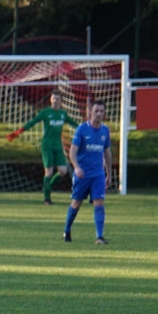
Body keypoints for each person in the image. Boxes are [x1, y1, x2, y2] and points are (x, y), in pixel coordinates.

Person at [7, 91, 77, 204]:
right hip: (47, 145)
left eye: (57, 99)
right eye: (53, 98)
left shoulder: (63, 114)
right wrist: (18, 132)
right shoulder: (45, 112)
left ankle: (47, 187)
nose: (55, 101)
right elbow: (32, 122)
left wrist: (87, 130)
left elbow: (74, 124)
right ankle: (47, 199)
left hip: (58, 146)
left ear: (61, 101)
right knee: (49, 173)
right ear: (50, 100)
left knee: (63, 171)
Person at [64, 100, 112, 244]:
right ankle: (67, 230)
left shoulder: (105, 131)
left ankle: (99, 236)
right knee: (76, 203)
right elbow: (73, 152)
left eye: (101, 111)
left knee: (99, 202)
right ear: (90, 112)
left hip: (98, 174)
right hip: (83, 174)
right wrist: (77, 167)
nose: (99, 114)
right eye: (96, 111)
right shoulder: (82, 130)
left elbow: (107, 153)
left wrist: (109, 173)